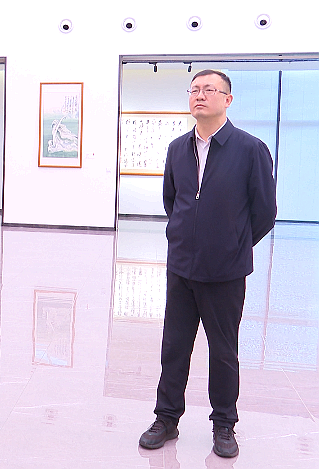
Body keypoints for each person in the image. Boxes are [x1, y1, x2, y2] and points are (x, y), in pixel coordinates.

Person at [138, 70, 277, 458]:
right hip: (181, 267)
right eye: (195, 90)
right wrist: (186, 237)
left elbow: (265, 212)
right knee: (174, 346)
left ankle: (224, 423)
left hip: (225, 272)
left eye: (209, 90)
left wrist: (232, 245)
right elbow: (172, 201)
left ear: (227, 99)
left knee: (223, 350)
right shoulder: (177, 149)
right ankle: (166, 418)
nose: (200, 95)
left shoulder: (250, 149)